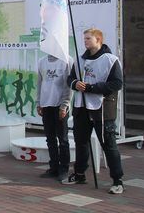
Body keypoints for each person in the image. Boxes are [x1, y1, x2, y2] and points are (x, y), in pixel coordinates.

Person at [63, 28, 125, 195]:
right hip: (81, 107)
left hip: (102, 109)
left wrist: (92, 88)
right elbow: (70, 78)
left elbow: (117, 83)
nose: (85, 41)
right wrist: (75, 83)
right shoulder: (79, 59)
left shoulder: (111, 60)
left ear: (98, 39)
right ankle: (79, 174)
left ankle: (117, 180)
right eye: (84, 39)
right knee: (81, 142)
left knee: (108, 144)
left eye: (88, 38)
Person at [36, 54, 73, 182]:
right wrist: (38, 102)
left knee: (63, 139)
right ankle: (54, 167)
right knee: (50, 138)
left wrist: (65, 105)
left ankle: (64, 169)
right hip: (46, 105)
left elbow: (68, 86)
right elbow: (39, 83)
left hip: (60, 105)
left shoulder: (67, 61)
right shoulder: (42, 61)